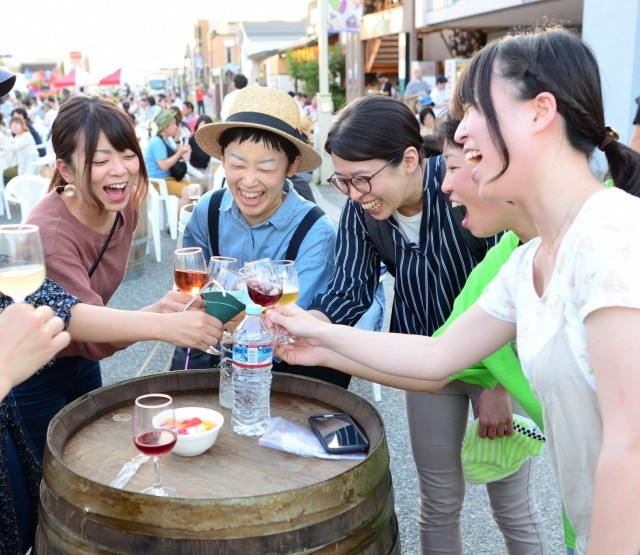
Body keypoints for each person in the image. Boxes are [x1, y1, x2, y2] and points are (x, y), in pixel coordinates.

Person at [270, 26, 640, 554]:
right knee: (440, 500)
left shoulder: (610, 234)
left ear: (540, 112)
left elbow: (631, 447)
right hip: (587, 531)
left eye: (474, 110)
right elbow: (437, 356)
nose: (459, 131)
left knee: (512, 507)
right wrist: (319, 339)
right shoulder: (526, 259)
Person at [303, 94, 549, 553]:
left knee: (512, 506)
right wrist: (304, 324)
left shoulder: (464, 186)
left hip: (497, 362)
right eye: (343, 181)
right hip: (420, 355)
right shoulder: (363, 212)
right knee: (437, 501)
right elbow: (347, 294)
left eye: (363, 178)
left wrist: (497, 386)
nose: (354, 193)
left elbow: (513, 284)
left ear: (411, 160)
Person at [17, 95, 223, 462]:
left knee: (90, 458)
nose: (120, 170)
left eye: (128, 155)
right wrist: (164, 326)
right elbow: (73, 317)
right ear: (66, 170)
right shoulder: (49, 231)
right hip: (32, 371)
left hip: (80, 361)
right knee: (49, 473)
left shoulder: (123, 205)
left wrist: (160, 309)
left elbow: (92, 330)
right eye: (100, 161)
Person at [183, 86, 344, 386]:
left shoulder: (315, 231)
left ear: (292, 166)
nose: (248, 181)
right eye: (237, 164)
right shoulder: (208, 210)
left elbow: (286, 329)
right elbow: (191, 298)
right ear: (222, 160)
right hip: (216, 364)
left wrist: (226, 314)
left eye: (266, 167)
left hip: (284, 375)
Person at [144, 109, 192, 208]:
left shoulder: (167, 140)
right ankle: (179, 218)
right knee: (188, 192)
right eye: (173, 124)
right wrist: (179, 153)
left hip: (170, 179)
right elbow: (164, 165)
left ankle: (189, 216)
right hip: (159, 182)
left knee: (197, 188)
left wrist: (177, 140)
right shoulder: (157, 142)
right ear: (165, 127)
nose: (176, 126)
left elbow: (181, 158)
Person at [0, 116, 39, 182]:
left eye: (17, 124)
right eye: (12, 125)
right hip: (23, 163)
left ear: (22, 125)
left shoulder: (26, 135)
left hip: (29, 165)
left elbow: (16, 146)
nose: (14, 127)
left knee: (5, 173)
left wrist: (2, 146)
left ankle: (12, 187)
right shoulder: (17, 137)